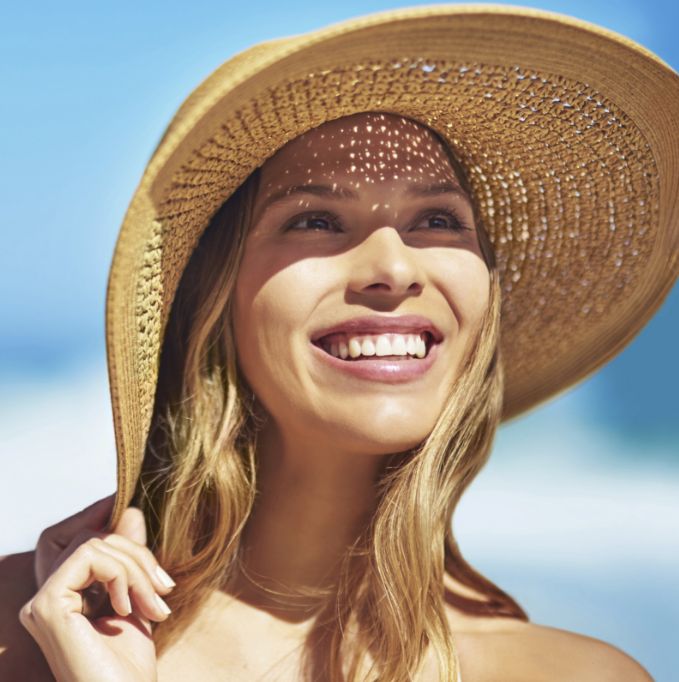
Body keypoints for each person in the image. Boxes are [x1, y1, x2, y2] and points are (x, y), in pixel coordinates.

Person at [1, 5, 676, 681]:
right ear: (214, 298)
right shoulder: (26, 628)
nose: (394, 268)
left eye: (437, 220)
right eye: (316, 220)